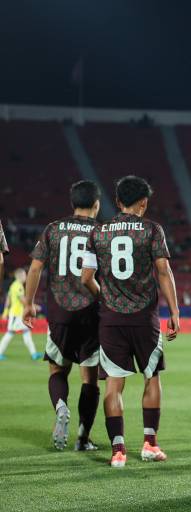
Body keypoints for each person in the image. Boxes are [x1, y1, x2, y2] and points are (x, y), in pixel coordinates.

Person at [81, 175, 181, 468]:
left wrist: (105, 297)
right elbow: (163, 272)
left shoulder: (98, 232)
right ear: (143, 202)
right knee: (152, 377)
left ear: (117, 201)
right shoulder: (152, 229)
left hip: (111, 319)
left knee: (113, 385)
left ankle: (118, 451)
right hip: (144, 318)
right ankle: (150, 444)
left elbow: (86, 278)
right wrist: (175, 312)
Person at [23, 180, 102, 451]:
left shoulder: (53, 229)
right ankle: (83, 437)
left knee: (57, 370)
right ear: (96, 205)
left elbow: (35, 269)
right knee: (89, 379)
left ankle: (60, 407)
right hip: (92, 314)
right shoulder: (102, 232)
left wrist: (27, 304)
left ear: (71, 204)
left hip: (59, 312)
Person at [0, 268, 43, 361]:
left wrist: (5, 311)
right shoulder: (18, 286)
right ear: (20, 276)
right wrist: (33, 306)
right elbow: (22, 300)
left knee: (26, 332)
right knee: (10, 333)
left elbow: (8, 299)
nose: (26, 276)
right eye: (24, 275)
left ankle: (34, 354)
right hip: (16, 315)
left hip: (18, 314)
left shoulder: (13, 285)